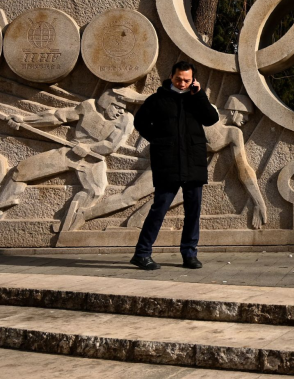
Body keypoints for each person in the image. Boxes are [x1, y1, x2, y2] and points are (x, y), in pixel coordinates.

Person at [71, 94, 268, 231]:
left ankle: (136, 222)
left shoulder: (232, 133)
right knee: (130, 196)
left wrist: (259, 202)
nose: (246, 119)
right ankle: (84, 215)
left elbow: (244, 168)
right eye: (245, 114)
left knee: (184, 193)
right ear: (234, 109)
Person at [130, 61, 219, 271]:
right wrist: (159, 141)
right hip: (168, 163)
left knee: (193, 211)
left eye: (187, 80)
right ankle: (142, 253)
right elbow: (139, 123)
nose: (182, 83)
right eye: (179, 78)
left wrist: (199, 95)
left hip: (193, 162)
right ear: (171, 75)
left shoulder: (195, 98)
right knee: (159, 208)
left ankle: (189, 254)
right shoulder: (157, 100)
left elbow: (211, 119)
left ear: (193, 80)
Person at [0, 90, 133, 225]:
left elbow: (111, 145)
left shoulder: (126, 120)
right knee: (21, 171)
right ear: (106, 103)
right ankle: (2, 205)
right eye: (117, 107)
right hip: (71, 152)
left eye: (123, 108)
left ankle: (70, 224)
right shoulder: (88, 107)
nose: (121, 111)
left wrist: (89, 148)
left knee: (95, 191)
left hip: (93, 159)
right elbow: (58, 116)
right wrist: (25, 120)